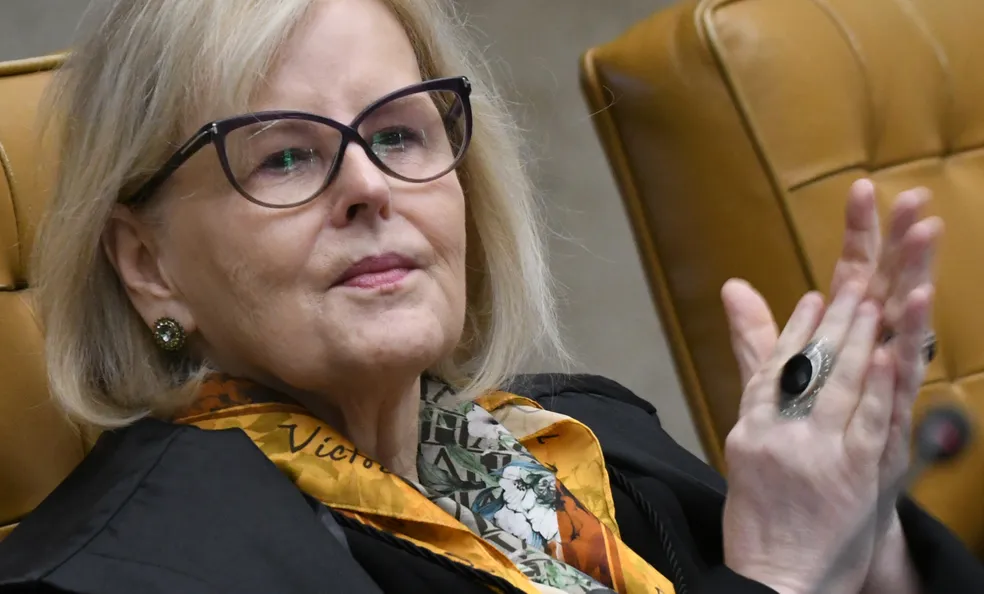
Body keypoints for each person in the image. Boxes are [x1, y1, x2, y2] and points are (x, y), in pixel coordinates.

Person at [0, 0, 980, 592]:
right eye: (284, 155)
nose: (370, 186)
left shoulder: (593, 436)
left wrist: (861, 536)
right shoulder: (137, 574)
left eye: (398, 134)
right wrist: (781, 573)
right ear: (149, 265)